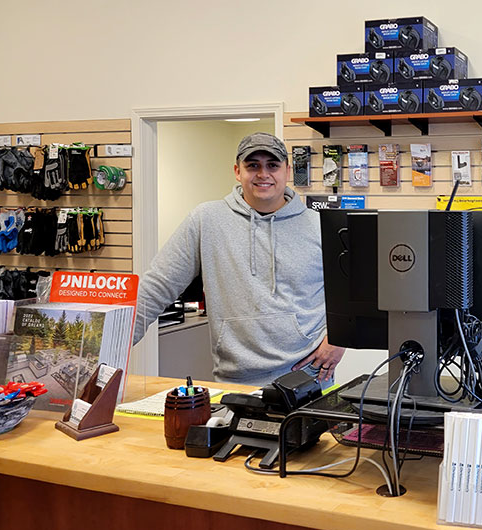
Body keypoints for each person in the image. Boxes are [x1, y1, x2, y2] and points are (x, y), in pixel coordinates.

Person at [134, 132, 345, 386]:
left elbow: (353, 292)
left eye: (273, 165)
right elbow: (157, 286)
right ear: (237, 171)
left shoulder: (319, 224)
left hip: (309, 374)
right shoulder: (206, 220)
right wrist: (104, 345)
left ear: (287, 171)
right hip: (235, 379)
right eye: (252, 165)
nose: (263, 174)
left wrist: (339, 340)